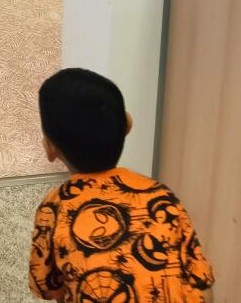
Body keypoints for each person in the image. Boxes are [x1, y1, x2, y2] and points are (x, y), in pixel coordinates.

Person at [29, 68, 214, 302]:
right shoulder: (162, 196)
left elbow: (46, 288)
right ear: (128, 124)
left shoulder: (54, 209)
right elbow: (201, 279)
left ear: (50, 148)